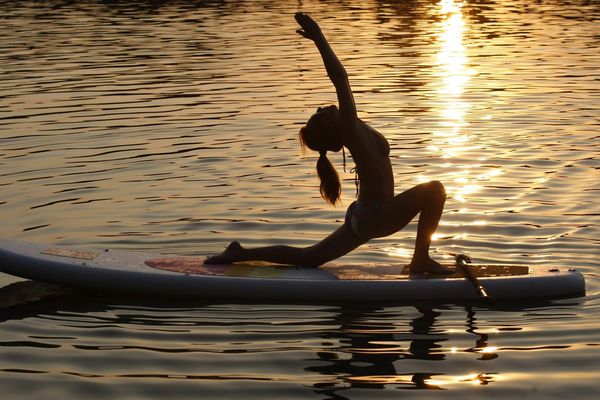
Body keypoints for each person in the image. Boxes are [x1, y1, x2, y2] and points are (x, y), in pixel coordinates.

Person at [205, 13, 453, 274]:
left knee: (309, 257)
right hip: (377, 214)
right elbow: (340, 78)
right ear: (332, 128)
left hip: (365, 214)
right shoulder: (350, 129)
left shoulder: (352, 130)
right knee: (435, 190)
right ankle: (420, 260)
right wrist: (319, 38)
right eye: (319, 114)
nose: (321, 107)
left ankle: (239, 253)